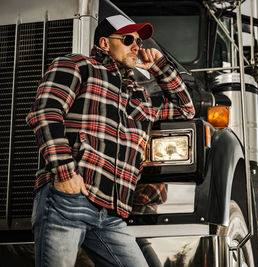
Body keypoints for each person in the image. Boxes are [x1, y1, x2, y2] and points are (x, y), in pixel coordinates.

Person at [26, 14, 195, 267]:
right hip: (69, 199)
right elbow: (46, 112)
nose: (136, 46)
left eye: (138, 41)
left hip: (112, 214)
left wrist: (161, 67)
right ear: (105, 44)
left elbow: (186, 109)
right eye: (128, 39)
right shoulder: (78, 65)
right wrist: (65, 173)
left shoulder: (140, 96)